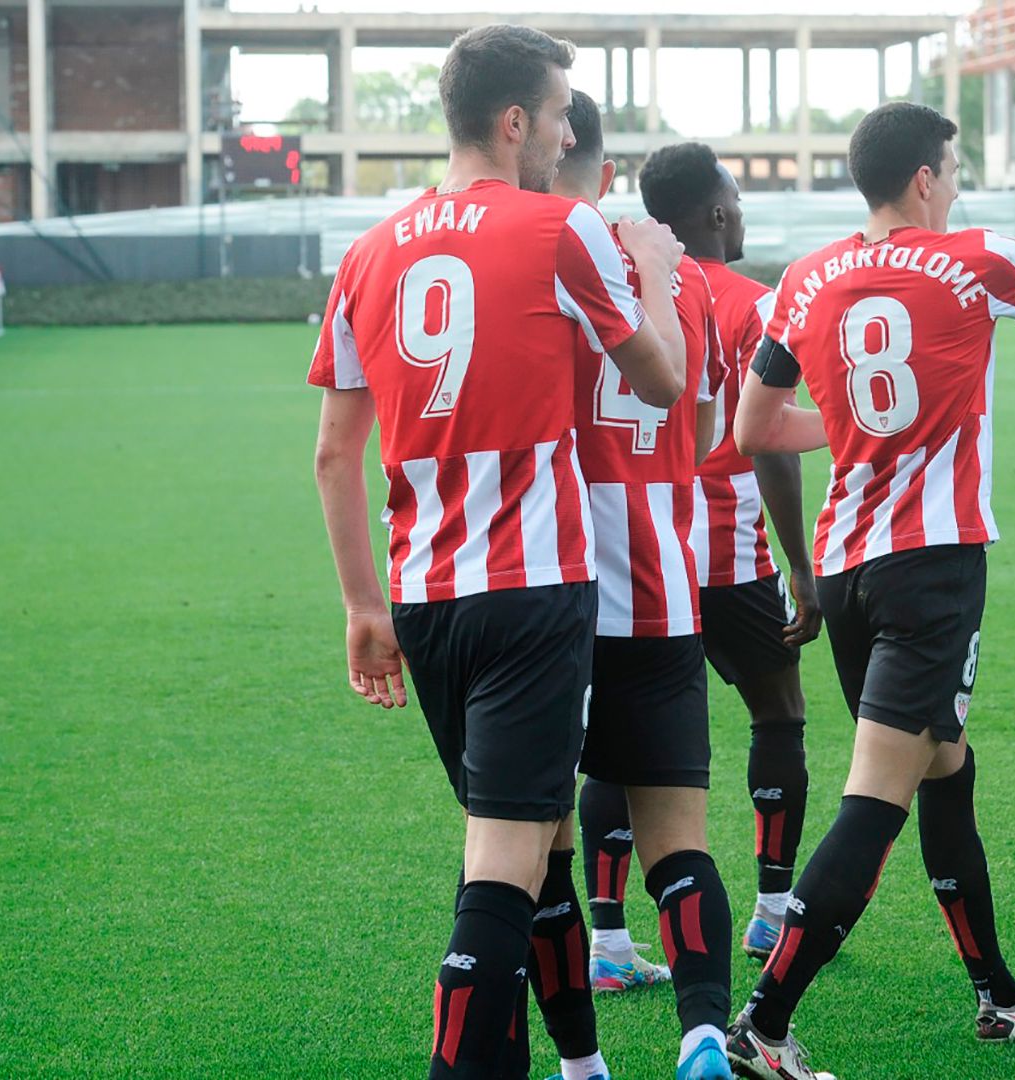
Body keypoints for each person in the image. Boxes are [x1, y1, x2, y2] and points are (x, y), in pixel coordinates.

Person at [308, 26, 686, 1080]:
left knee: (528, 843)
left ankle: (573, 1064)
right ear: (515, 121)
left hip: (425, 596)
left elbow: (335, 454)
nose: (567, 134)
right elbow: (660, 382)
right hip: (533, 590)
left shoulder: (368, 252)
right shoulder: (563, 225)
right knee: (504, 864)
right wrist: (656, 275)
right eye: (560, 115)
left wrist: (362, 607)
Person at [721, 101, 1015, 1079]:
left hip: (846, 566)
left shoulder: (803, 278)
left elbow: (754, 429)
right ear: (927, 179)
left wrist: (859, 430)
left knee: (944, 765)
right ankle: (762, 1025)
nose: (959, 186)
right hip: (930, 568)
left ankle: (1000, 996)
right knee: (878, 797)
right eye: (956, 169)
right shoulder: (976, 257)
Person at [573, 140, 821, 967]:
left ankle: (609, 936)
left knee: (617, 741)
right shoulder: (751, 302)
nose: (741, 210)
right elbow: (767, 443)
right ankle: (773, 910)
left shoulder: (618, 281)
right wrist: (801, 566)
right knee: (778, 712)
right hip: (726, 551)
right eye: (737, 198)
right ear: (716, 212)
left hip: (634, 554)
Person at [532, 91, 738, 1080]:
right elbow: (700, 430)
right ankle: (704, 1034)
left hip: (550, 586)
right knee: (678, 842)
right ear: (609, 174)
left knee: (540, 850)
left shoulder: (529, 262)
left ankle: (582, 1066)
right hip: (660, 583)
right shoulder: (682, 275)